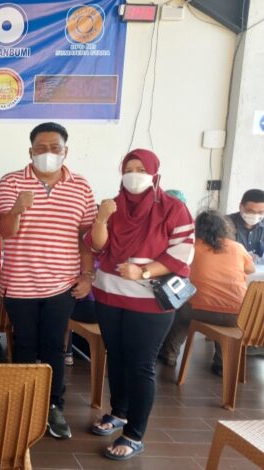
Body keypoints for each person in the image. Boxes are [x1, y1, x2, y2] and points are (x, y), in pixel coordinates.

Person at [86, 149, 194, 461]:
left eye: (141, 169)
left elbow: (183, 253)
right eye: (128, 168)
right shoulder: (113, 205)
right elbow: (97, 245)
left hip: (149, 303)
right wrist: (102, 217)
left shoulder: (173, 208)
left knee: (141, 364)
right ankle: (119, 413)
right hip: (109, 296)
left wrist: (143, 271)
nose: (134, 175)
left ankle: (134, 434)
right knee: (116, 356)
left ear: (154, 173)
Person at [0, 122, 97, 439]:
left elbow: (86, 237)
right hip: (19, 282)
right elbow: (4, 231)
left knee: (54, 346)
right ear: (30, 151)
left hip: (62, 284)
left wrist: (87, 275)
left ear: (66, 151)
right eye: (41, 148)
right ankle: (23, 405)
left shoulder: (81, 186)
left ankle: (53, 406)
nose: (48, 153)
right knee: (24, 344)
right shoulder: (11, 182)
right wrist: (17, 209)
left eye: (55, 148)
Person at [159, 210, 254, 374]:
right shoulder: (237, 248)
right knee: (224, 324)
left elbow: (177, 268)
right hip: (238, 314)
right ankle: (221, 364)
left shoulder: (192, 247)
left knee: (180, 313)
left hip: (199, 310)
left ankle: (169, 354)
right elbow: (250, 269)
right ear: (225, 228)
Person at [228, 189, 264, 263]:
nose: (255, 216)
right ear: (240, 207)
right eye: (250, 211)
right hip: (232, 267)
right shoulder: (224, 224)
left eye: (260, 212)